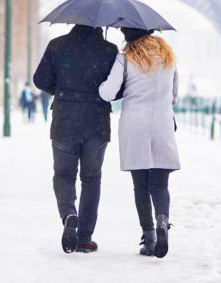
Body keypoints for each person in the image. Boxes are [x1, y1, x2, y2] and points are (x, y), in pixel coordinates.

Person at [33, 24, 118, 254]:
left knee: (63, 174)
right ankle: (84, 238)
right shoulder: (110, 50)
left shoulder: (57, 45)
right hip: (96, 123)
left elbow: (40, 80)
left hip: (64, 120)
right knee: (91, 179)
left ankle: (69, 213)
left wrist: (62, 91)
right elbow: (117, 90)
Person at [98, 27, 180, 258]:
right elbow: (174, 96)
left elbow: (107, 93)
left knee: (141, 186)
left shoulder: (125, 58)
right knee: (160, 185)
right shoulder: (168, 57)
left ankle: (150, 238)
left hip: (135, 126)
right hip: (162, 124)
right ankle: (163, 221)